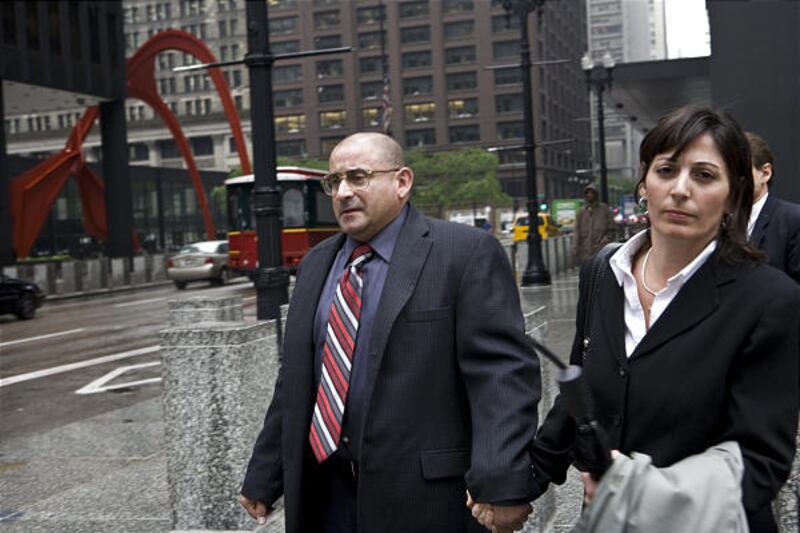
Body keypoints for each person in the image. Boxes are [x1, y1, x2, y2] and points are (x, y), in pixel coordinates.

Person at [239, 132, 541, 533]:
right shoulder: (315, 265)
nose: (343, 192)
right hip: (325, 495)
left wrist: (502, 480)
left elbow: (501, 376)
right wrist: (266, 472)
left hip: (425, 500)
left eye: (358, 177)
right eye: (334, 182)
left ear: (402, 182)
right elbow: (296, 380)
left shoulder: (464, 253)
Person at [524, 106, 800, 533]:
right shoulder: (604, 274)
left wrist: (637, 495)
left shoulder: (770, 300)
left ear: (733, 195)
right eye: (667, 170)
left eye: (704, 175)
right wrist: (523, 480)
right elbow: (580, 390)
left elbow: (760, 462)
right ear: (644, 183)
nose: (680, 189)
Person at [745, 131, 800, 283]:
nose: (733, 180)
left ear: (765, 173)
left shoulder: (793, 221)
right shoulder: (717, 221)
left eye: (741, 171)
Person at [572, 183, 615, 263]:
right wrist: (575, 248)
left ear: (596, 194)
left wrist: (604, 242)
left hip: (601, 251)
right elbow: (576, 231)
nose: (589, 195)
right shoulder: (581, 212)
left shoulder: (604, 210)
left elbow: (612, 230)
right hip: (585, 252)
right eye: (587, 193)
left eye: (592, 193)